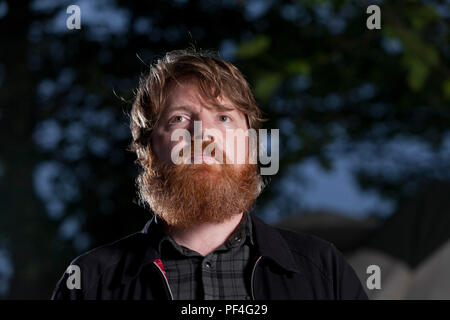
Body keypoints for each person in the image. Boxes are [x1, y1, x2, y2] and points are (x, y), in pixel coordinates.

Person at [51, 49, 368, 300]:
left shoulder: (323, 271)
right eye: (178, 118)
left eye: (224, 118)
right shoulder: (90, 282)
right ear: (147, 150)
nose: (202, 134)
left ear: (251, 145)